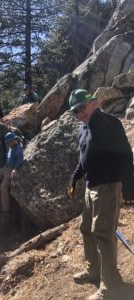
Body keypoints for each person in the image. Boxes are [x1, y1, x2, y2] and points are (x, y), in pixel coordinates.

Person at [68, 89, 134, 300]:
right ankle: (93, 270)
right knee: (86, 228)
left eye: (82, 108)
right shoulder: (84, 128)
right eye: (75, 111)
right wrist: (75, 177)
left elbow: (125, 154)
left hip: (107, 186)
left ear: (93, 102)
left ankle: (110, 287)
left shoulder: (109, 123)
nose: (80, 113)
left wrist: (130, 187)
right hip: (91, 186)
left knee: (103, 234)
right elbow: (83, 158)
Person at [0, 132, 23, 229]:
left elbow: (20, 158)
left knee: (3, 188)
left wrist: (15, 169)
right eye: (8, 142)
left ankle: (6, 210)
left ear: (13, 140)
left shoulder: (17, 148)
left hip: (10, 170)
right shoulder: (10, 149)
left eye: (9, 141)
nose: (8, 143)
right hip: (4, 169)